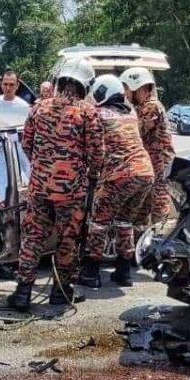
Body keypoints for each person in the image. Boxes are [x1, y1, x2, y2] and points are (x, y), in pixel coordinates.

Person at [8, 59, 104, 311]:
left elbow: (26, 145)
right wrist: (87, 174)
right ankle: (61, 292)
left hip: (39, 187)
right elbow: (97, 155)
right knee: (68, 240)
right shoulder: (87, 112)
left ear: (60, 80)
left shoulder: (39, 108)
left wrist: (43, 167)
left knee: (32, 238)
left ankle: (22, 292)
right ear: (85, 85)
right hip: (71, 192)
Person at [79, 75, 154, 289]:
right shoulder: (131, 113)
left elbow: (93, 147)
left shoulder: (99, 114)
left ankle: (91, 272)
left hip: (120, 175)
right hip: (145, 173)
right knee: (124, 222)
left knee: (99, 222)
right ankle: (123, 271)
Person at [120, 67, 175, 233]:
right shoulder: (141, 107)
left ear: (139, 88)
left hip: (159, 165)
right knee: (142, 208)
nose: (126, 94)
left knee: (158, 208)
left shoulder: (151, 106)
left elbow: (137, 129)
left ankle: (161, 243)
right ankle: (140, 244)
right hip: (149, 165)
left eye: (127, 89)